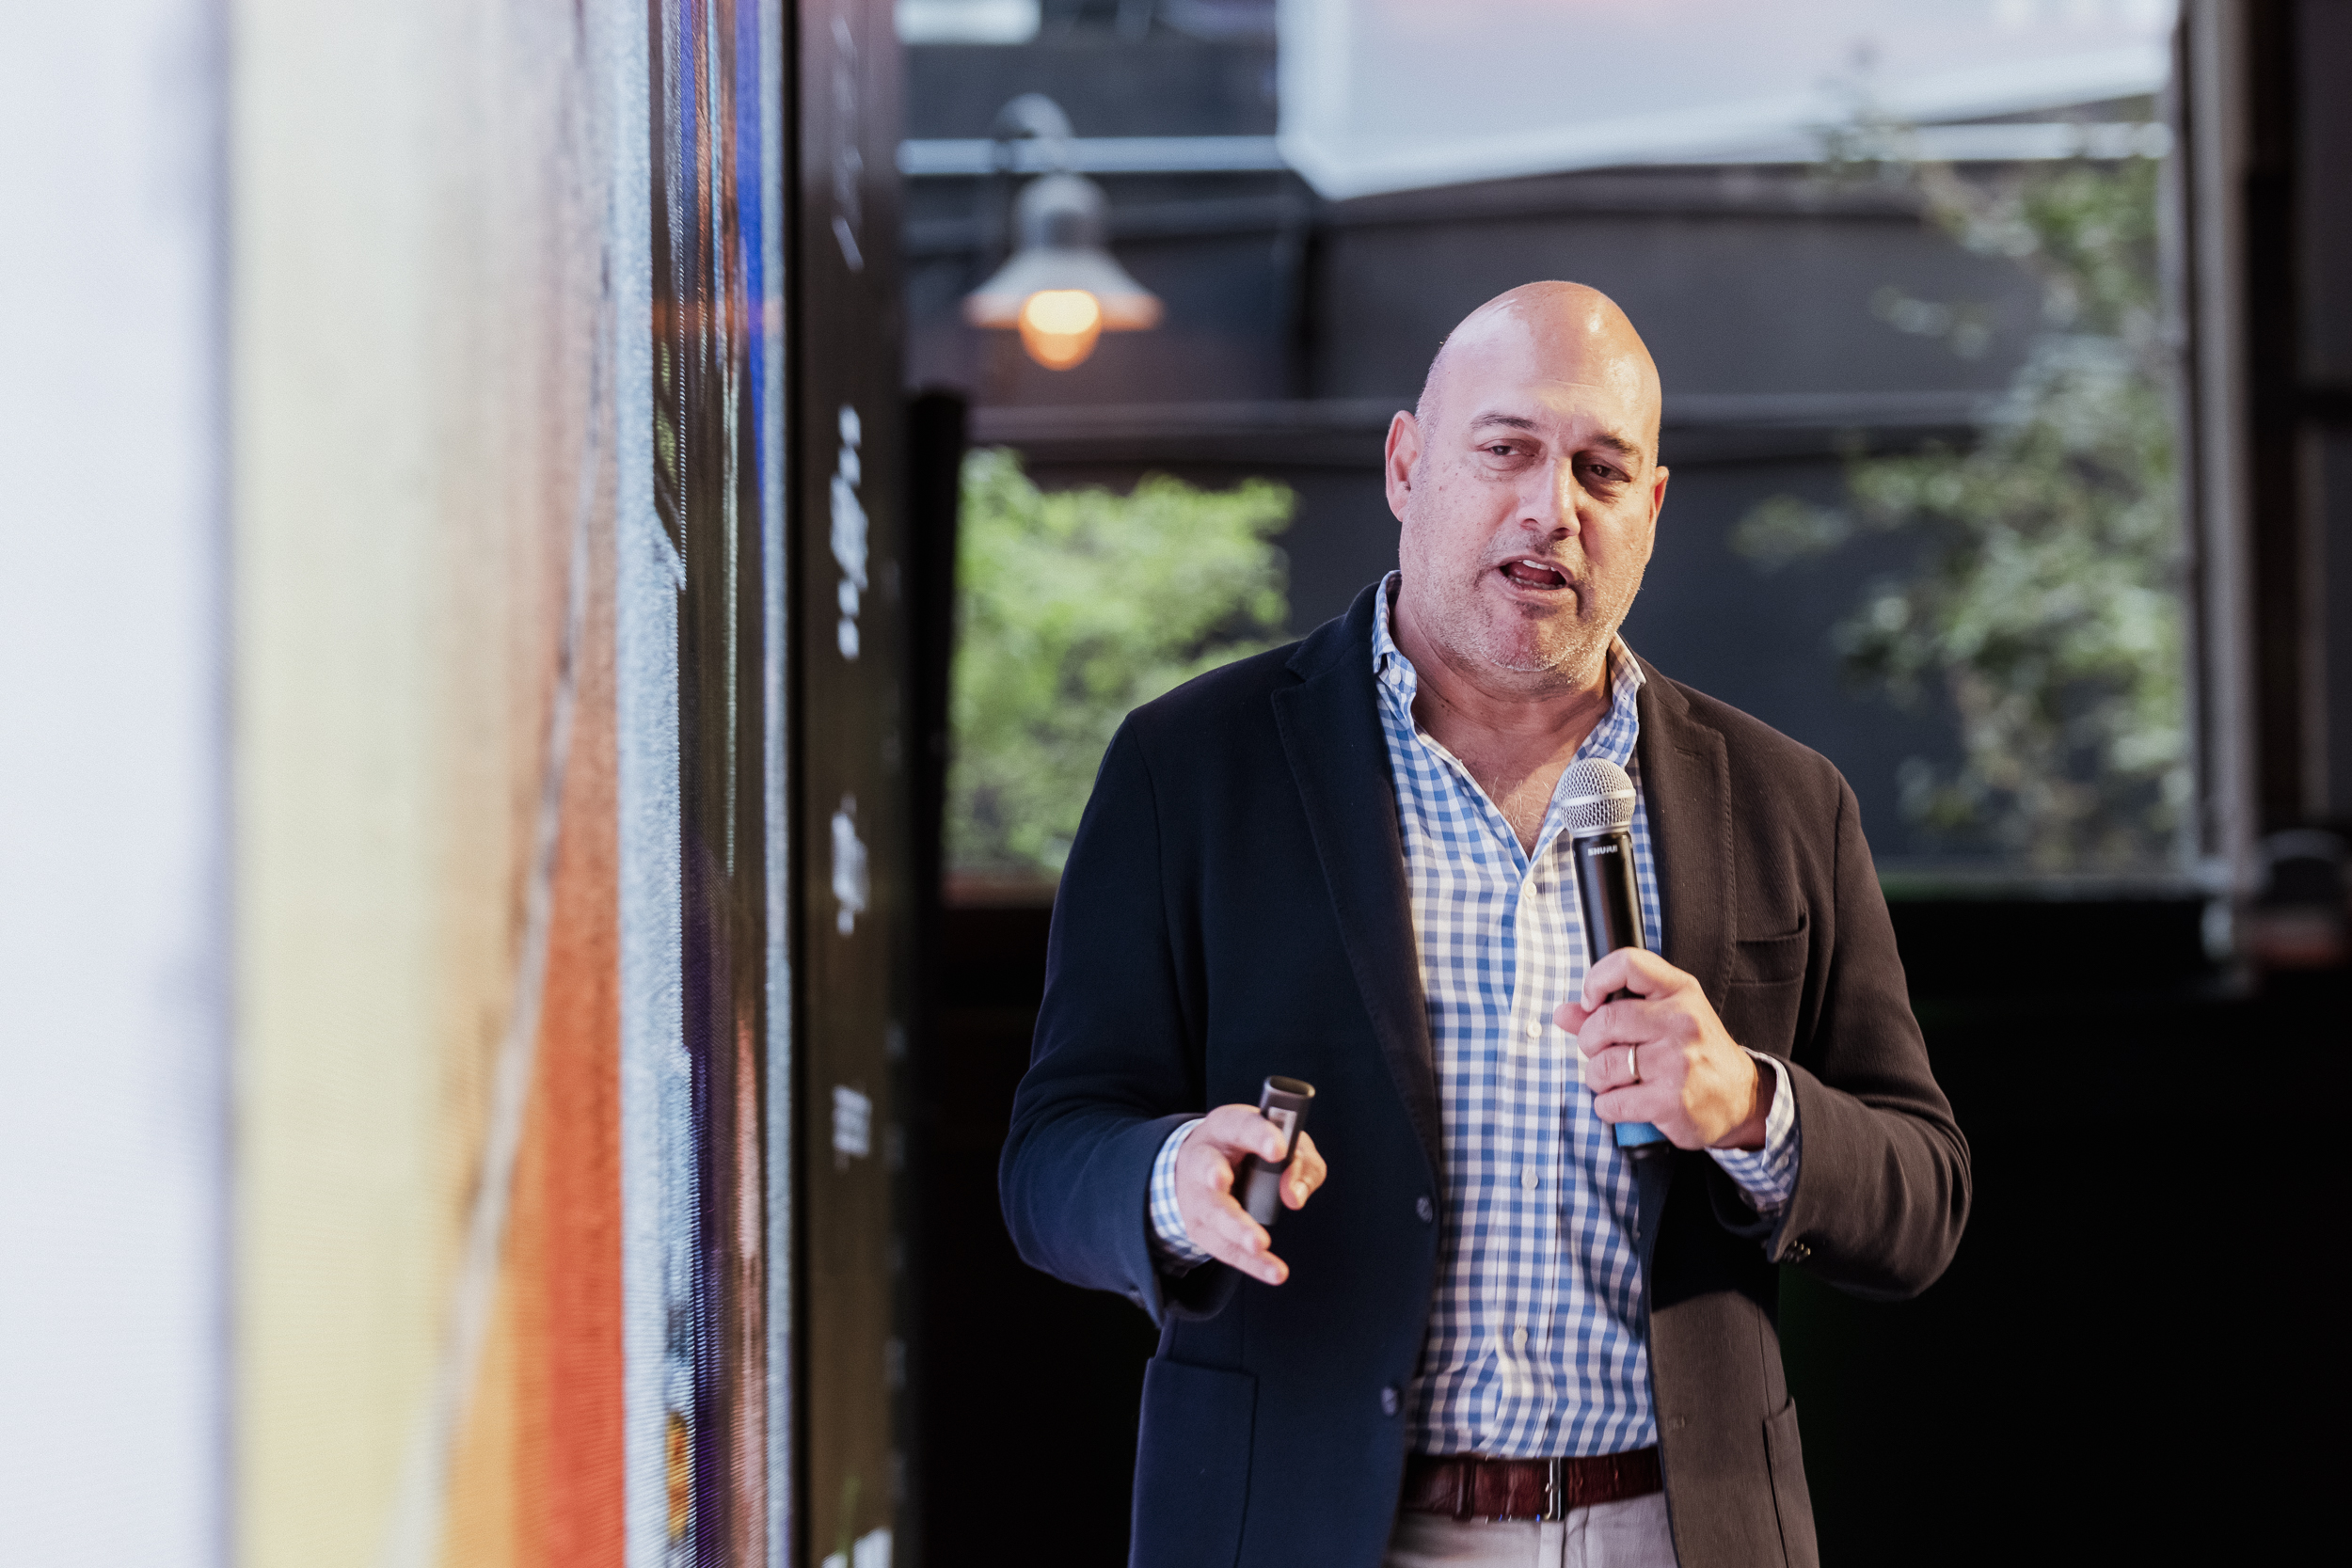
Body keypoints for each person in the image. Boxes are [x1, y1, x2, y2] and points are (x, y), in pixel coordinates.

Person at [999, 282, 1969, 1568]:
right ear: (1407, 466)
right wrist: (1167, 1179)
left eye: (1601, 471)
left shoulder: (1786, 800)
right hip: (1311, 1530)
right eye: (1506, 448)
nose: (1552, 507)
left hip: (1673, 1532)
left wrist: (1750, 1107)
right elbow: (1052, 1155)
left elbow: (1923, 1201)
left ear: (1651, 510)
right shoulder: (1191, 765)